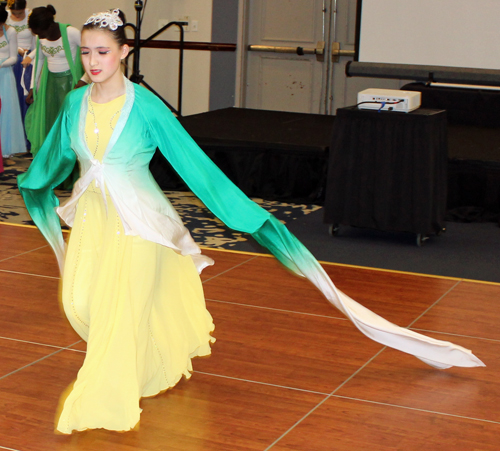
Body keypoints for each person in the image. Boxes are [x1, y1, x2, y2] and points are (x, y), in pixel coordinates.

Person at [18, 9, 484, 435]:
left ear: (123, 53)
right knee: (81, 302)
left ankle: (104, 395)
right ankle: (143, 360)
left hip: (142, 224)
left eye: (103, 51)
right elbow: (55, 157)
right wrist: (31, 183)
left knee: (120, 310)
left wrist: (247, 215)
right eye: (87, 52)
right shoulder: (76, 104)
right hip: (96, 221)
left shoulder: (145, 107)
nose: (93, 61)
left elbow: (196, 166)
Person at [24, 4, 85, 156]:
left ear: (49, 26)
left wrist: (84, 79)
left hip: (70, 83)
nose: (39, 36)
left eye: (40, 32)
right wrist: (33, 87)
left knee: (67, 121)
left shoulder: (71, 33)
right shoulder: (41, 38)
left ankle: (68, 154)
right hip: (50, 83)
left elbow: (89, 54)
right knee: (50, 121)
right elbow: (39, 61)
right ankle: (52, 154)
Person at [0, 2, 26, 165]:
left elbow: (14, 58)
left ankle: (6, 150)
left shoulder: (10, 32)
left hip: (5, 75)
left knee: (6, 112)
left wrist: (0, 64)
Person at [6, 0, 35, 131]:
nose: (17, 16)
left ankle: (26, 131)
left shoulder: (31, 15)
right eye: (14, 13)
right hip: (12, 54)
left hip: (29, 57)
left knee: (26, 95)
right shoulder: (4, 16)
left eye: (20, 13)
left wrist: (30, 56)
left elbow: (39, 41)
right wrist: (17, 49)